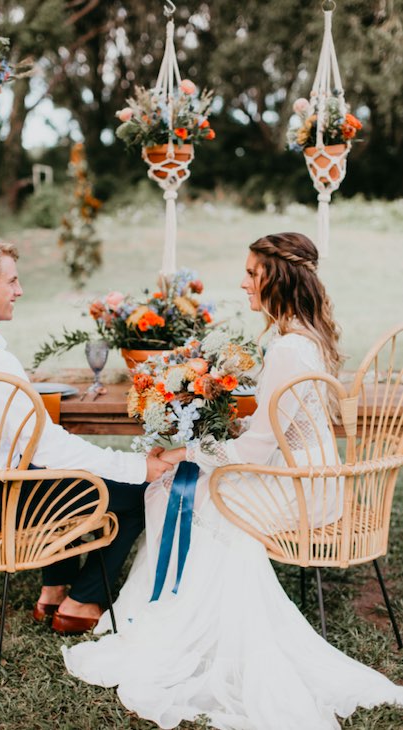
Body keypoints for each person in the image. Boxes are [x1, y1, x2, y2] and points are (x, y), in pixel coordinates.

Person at [63, 232, 403, 730]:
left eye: (251, 273)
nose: (243, 282)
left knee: (179, 494)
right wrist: (205, 440)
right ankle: (157, 609)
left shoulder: (288, 347)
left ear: (276, 279)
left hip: (297, 485)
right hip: (312, 474)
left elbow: (257, 449)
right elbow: (272, 429)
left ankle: (177, 626)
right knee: (174, 487)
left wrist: (190, 450)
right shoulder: (299, 334)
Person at [0, 237, 172, 634]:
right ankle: (81, 602)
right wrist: (136, 466)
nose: (20, 291)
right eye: (11, 282)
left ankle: (53, 592)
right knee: (137, 494)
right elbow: (50, 447)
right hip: (4, 498)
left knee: (59, 472)